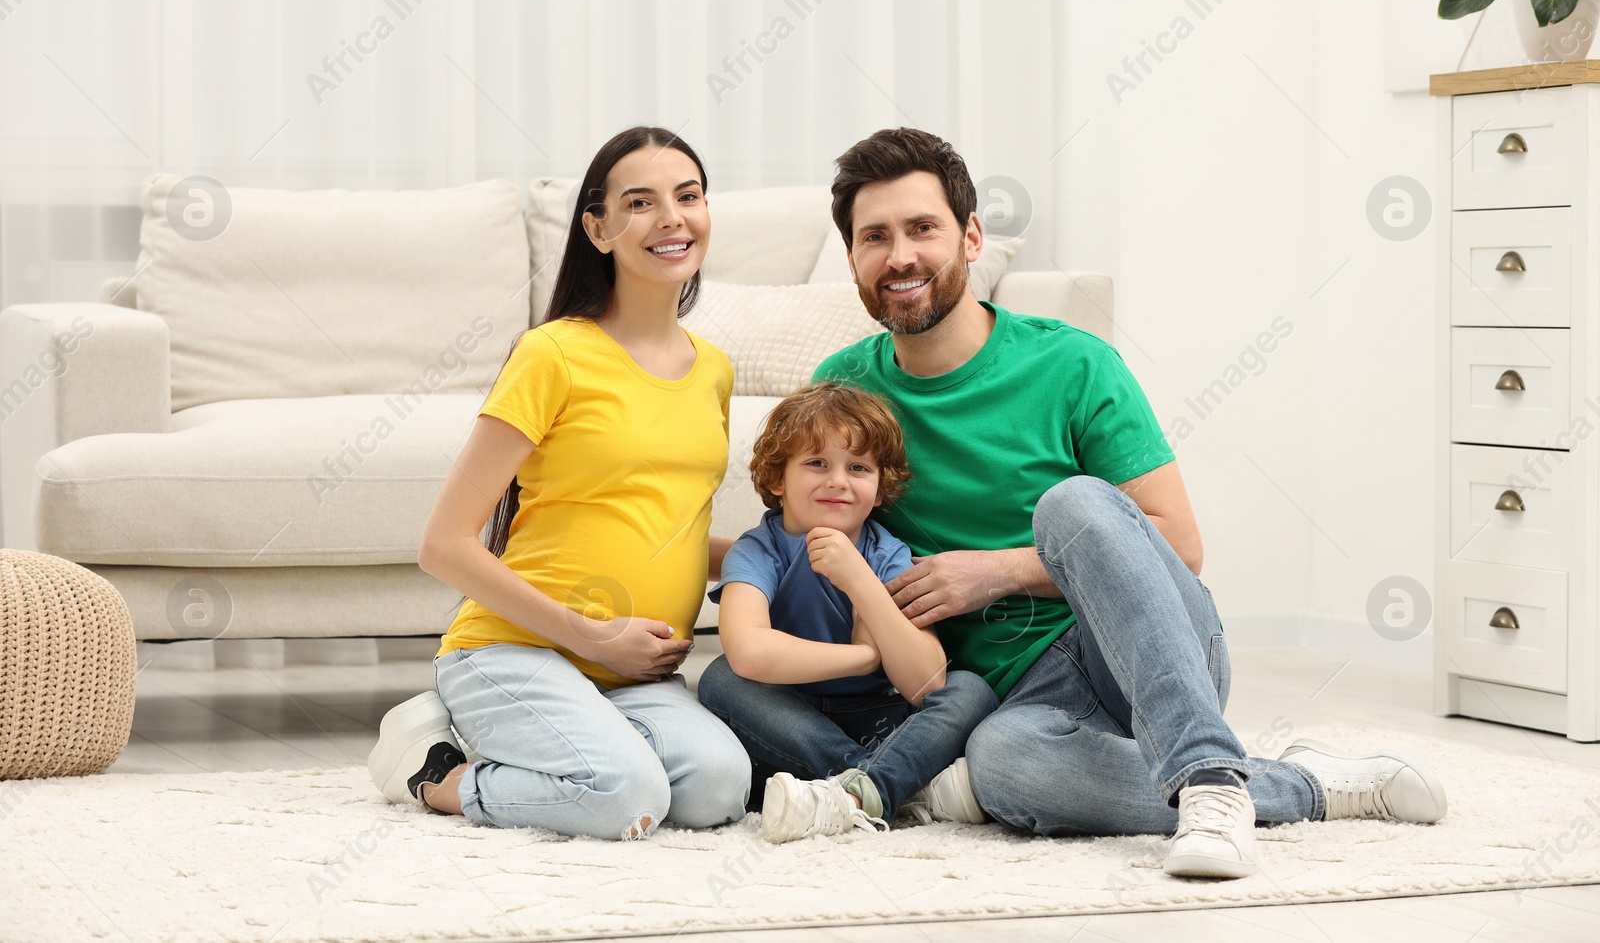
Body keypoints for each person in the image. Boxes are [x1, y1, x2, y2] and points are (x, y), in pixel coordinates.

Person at [811, 127, 1448, 879]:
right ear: (851, 258)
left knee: (1074, 503)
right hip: (1019, 702)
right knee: (1002, 768)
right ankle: (1301, 784)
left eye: (923, 229)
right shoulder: (841, 390)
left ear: (971, 236)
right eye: (874, 237)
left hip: (1139, 649)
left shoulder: (1071, 362)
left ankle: (1209, 779)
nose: (901, 256)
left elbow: (1179, 545)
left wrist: (1000, 572)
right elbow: (804, 540)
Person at [366, 126, 750, 840]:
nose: (671, 216)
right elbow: (443, 544)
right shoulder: (553, 354)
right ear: (598, 229)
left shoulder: (715, 369)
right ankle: (437, 771)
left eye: (688, 195)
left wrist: (790, 555)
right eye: (641, 202)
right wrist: (593, 636)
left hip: (637, 676)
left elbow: (669, 524)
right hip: (512, 648)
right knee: (624, 796)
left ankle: (567, 741)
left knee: (720, 789)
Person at [697, 382, 998, 843]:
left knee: (969, 689)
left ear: (879, 490)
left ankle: (857, 791)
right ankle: (901, 785)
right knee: (721, 679)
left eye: (858, 468)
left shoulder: (887, 554)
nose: (838, 480)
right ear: (778, 479)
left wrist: (859, 579)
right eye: (817, 463)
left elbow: (927, 682)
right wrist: (863, 656)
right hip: (791, 716)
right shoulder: (759, 551)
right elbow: (748, 652)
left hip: (885, 715)